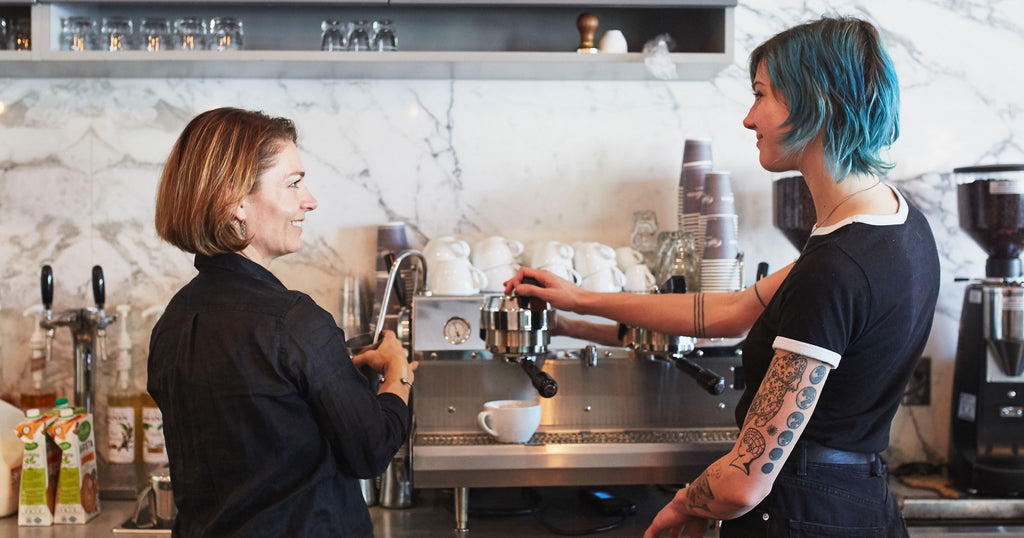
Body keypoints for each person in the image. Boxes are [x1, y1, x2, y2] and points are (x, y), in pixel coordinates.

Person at [506, 17, 938, 538]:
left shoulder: (836, 267)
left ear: (814, 103)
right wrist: (578, 304)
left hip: (801, 517)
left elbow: (744, 482)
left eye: (761, 95)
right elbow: (729, 312)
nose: (748, 118)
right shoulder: (897, 223)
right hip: (859, 504)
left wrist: (687, 502)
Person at [149, 107, 416, 537]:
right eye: (293, 184)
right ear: (235, 203)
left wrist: (332, 379)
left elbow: (255, 428)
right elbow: (369, 450)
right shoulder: (294, 322)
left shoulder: (173, 323)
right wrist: (397, 375)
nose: (309, 200)